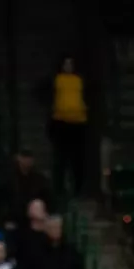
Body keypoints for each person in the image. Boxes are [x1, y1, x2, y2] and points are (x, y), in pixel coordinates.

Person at [49, 55, 88, 196]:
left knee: (77, 158)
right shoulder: (57, 80)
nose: (68, 66)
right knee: (61, 158)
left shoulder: (79, 80)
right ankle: (58, 189)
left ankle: (77, 189)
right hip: (61, 123)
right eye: (66, 64)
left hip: (78, 124)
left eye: (71, 64)